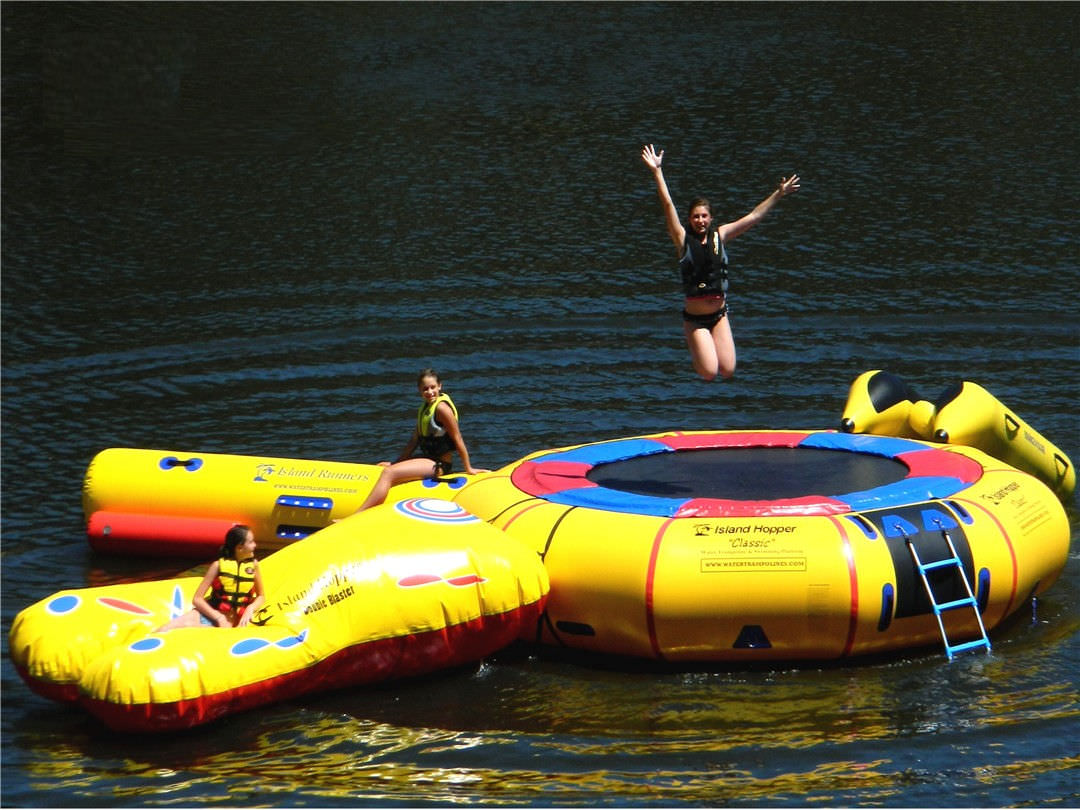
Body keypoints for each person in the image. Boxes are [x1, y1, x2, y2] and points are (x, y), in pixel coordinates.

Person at [641, 143, 801, 382]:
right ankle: (693, 341)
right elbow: (668, 206)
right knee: (708, 372)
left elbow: (754, 216)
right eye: (695, 216)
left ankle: (708, 346)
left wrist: (778, 194)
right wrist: (657, 172)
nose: (700, 221)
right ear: (689, 219)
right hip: (695, 319)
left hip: (719, 314)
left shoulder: (721, 235)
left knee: (728, 370)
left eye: (704, 216)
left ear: (711, 218)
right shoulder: (682, 239)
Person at [352, 368, 487, 513]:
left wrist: (468, 468)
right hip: (426, 459)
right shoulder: (424, 409)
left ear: (440, 386)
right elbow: (414, 440)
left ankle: (356, 515)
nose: (429, 392)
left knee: (388, 473)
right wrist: (396, 462)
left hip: (439, 464)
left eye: (432, 387)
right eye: (425, 389)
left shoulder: (442, 409)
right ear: (419, 390)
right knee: (384, 468)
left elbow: (457, 438)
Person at [156, 524, 265, 631]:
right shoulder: (217, 566)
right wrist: (219, 617)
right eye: (251, 542)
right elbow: (197, 599)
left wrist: (250, 609)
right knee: (164, 629)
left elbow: (261, 596)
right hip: (211, 616)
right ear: (239, 548)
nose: (255, 545)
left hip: (233, 622)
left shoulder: (254, 566)